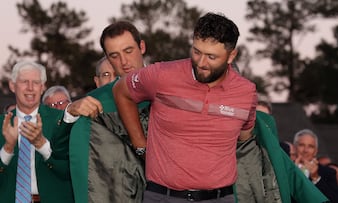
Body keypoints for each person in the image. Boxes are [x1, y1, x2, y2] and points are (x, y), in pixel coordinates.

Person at [113, 12, 257, 203]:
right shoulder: (161, 75)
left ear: (231, 56)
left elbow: (244, 139)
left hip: (220, 198)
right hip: (162, 197)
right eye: (197, 52)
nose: (201, 63)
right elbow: (120, 91)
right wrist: (140, 145)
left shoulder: (247, 93)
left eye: (212, 57)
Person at [69, 20, 149, 203]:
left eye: (128, 51)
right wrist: (69, 111)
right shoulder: (97, 101)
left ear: (142, 46)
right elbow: (62, 148)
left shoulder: (169, 88)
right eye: (114, 55)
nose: (124, 62)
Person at [0, 61, 102, 203]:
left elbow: (73, 170)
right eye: (24, 82)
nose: (30, 88)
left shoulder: (63, 121)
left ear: (43, 87)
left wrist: (42, 145)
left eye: (36, 82)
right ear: (12, 86)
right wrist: (8, 148)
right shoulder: (2, 124)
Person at [293, 129, 338, 203]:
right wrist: (293, 172)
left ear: (316, 151)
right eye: (301, 145)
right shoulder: (285, 169)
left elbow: (334, 200)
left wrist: (316, 177)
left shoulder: (329, 173)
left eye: (310, 146)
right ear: (294, 147)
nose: (305, 150)